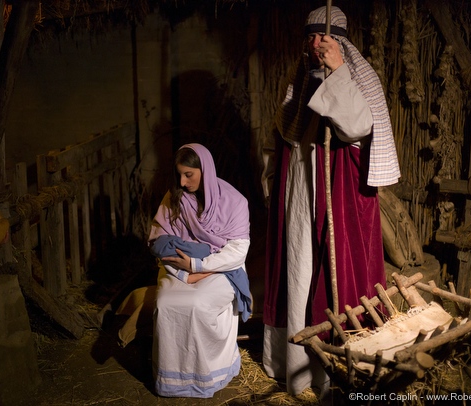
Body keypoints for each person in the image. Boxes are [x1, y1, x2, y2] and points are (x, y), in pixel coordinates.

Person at [261, 6, 401, 396]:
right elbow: (285, 130)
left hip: (338, 197)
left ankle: (338, 374)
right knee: (299, 270)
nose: (315, 44)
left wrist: (338, 72)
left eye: (322, 36)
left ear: (340, 40)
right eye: (310, 37)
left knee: (333, 274)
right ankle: (297, 369)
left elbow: (357, 125)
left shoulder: (359, 74)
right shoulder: (301, 76)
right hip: (300, 195)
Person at [148, 143, 251, 398]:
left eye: (189, 175)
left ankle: (207, 374)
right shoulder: (175, 198)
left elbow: (237, 251)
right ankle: (172, 379)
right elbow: (158, 240)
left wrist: (198, 267)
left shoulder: (234, 201)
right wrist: (184, 271)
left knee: (198, 304)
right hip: (178, 268)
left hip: (221, 268)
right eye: (179, 174)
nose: (182, 182)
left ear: (204, 169)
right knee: (165, 304)